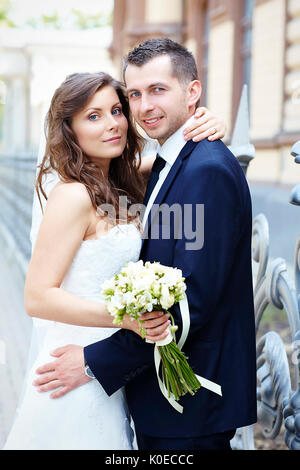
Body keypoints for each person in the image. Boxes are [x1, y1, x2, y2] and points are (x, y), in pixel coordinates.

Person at [31, 38, 257, 451]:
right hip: (121, 377)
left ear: (192, 92)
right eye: (133, 94)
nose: (136, 111)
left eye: (157, 90)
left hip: (187, 397)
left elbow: (193, 300)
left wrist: (96, 362)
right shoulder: (143, 172)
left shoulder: (200, 168)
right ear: (72, 129)